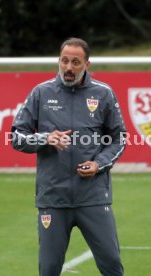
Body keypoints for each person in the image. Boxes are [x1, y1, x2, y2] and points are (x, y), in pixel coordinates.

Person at [11, 37, 126, 276]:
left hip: (92, 196)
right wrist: (44, 139)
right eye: (64, 61)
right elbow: (16, 136)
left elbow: (119, 138)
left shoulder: (103, 94)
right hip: (53, 198)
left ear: (87, 64)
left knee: (112, 265)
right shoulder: (41, 93)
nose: (69, 67)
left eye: (76, 62)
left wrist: (98, 163)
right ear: (58, 61)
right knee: (49, 269)